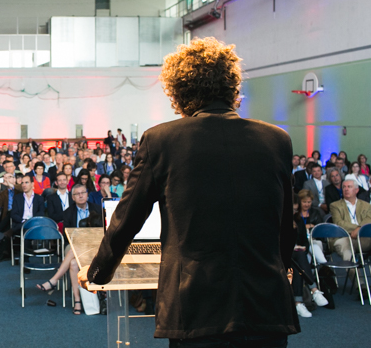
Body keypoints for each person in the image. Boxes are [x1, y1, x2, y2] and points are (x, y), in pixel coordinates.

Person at [79, 38, 299, 346]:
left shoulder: (161, 140)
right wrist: (282, 269)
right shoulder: (277, 139)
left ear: (179, 91)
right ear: (232, 87)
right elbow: (285, 225)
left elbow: (127, 218)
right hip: (266, 305)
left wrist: (98, 271)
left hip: (196, 307)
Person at [38, 184, 101, 315]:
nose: (81, 195)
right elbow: (68, 237)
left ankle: (56, 282)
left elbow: (101, 232)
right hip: (73, 246)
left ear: (87, 194)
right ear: (72, 197)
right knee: (74, 250)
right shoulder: (68, 213)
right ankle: (76, 299)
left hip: (93, 246)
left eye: (83, 192)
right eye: (77, 194)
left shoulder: (98, 209)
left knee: (73, 263)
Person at [328, 179, 371, 285]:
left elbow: (369, 219)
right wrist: (358, 228)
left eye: (349, 187)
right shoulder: (335, 205)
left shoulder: (367, 205)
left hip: (363, 239)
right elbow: (339, 223)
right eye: (344, 187)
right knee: (346, 250)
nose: (346, 189)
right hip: (344, 238)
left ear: (356, 190)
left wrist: (359, 229)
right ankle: (360, 285)